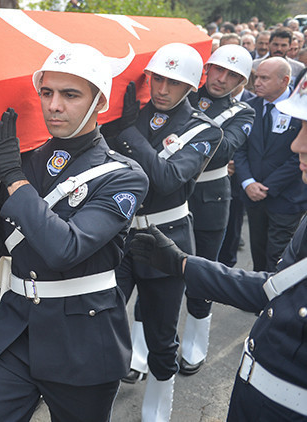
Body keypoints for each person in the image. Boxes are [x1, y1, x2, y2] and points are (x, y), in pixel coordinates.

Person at [0, 43, 149, 421]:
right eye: (46, 93)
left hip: (83, 339)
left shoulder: (124, 176)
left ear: (99, 101)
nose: (54, 106)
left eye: (70, 95)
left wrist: (13, 178)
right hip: (16, 328)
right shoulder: (27, 159)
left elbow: (65, 248)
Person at [130, 74, 307, 418]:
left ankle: (192, 351)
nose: (297, 144)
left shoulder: (236, 113)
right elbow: (276, 288)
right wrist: (183, 264)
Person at [104, 42, 223, 421]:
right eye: (157, 79)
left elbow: (168, 178)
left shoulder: (204, 129)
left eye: (173, 82)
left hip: (166, 240)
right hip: (120, 236)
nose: (162, 89)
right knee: (102, 322)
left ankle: (156, 411)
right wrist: (121, 125)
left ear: (190, 86)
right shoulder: (132, 114)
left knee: (161, 333)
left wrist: (126, 131)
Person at [181, 45, 255, 375]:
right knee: (153, 274)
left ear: (241, 82)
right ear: (207, 68)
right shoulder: (183, 94)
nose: (222, 79)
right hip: (169, 197)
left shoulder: (242, 112)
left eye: (232, 75)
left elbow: (223, 148)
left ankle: (194, 346)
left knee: (203, 276)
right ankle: (143, 350)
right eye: (218, 70)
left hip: (210, 202)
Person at [234, 57, 307, 272]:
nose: (257, 83)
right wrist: (248, 182)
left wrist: (267, 186)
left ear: (284, 80)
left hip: (286, 198)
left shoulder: (299, 108)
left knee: (278, 256)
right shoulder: (249, 107)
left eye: (264, 78)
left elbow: (297, 156)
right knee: (258, 251)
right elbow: (240, 148)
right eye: (256, 77)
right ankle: (258, 289)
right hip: (253, 196)